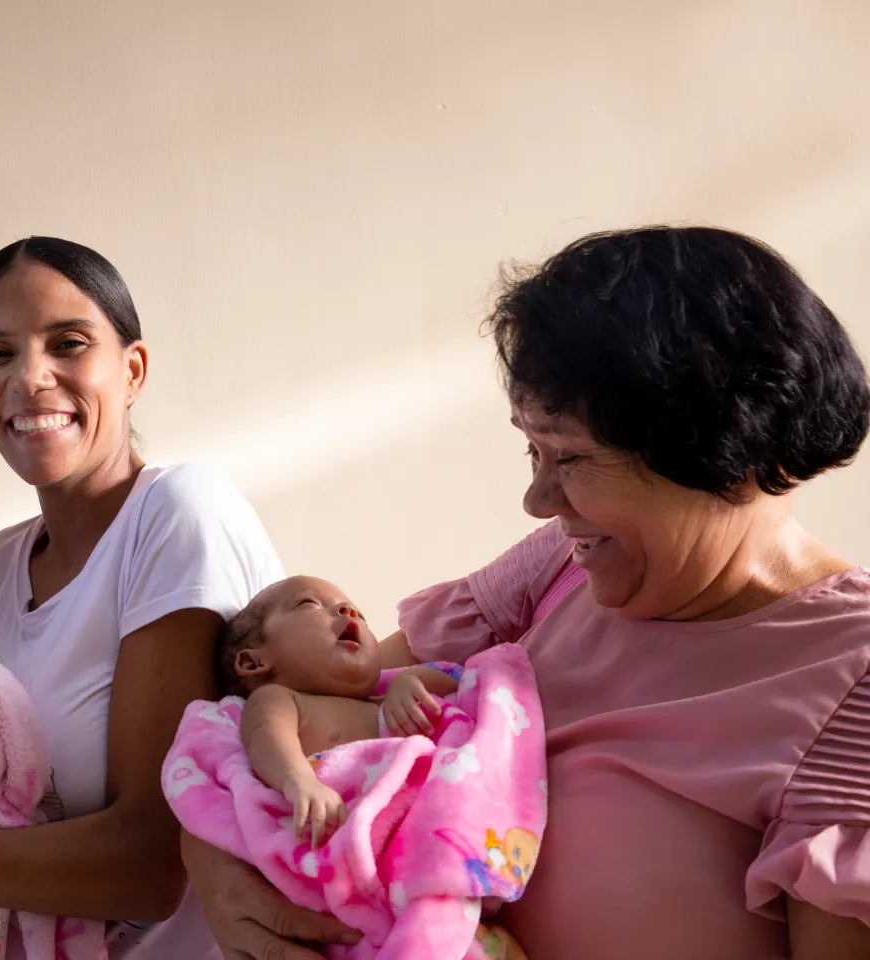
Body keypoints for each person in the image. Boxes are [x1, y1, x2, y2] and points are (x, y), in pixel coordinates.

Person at [183, 226, 870, 960]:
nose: (538, 500)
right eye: (531, 449)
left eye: (570, 458)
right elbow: (315, 713)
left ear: (727, 452)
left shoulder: (851, 684)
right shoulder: (561, 565)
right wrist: (216, 868)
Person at [0, 237, 285, 958]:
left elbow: (149, 866)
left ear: (133, 370)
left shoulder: (177, 514)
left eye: (68, 343)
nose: (30, 378)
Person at [217, 575, 461, 845]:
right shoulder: (279, 700)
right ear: (254, 662)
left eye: (361, 614)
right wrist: (299, 780)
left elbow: (459, 689)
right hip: (341, 826)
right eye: (309, 603)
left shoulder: (382, 700)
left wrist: (409, 683)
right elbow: (266, 737)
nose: (349, 611)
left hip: (427, 823)